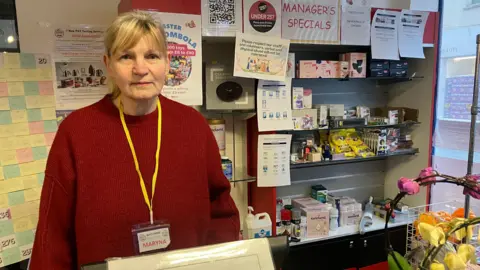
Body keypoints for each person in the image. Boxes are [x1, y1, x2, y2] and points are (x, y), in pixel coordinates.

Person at [29, 11, 240, 269]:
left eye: (152, 56)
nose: (140, 69)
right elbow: (52, 235)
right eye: (126, 56)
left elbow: (222, 211)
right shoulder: (76, 132)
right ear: (108, 64)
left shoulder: (193, 126)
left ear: (167, 62)